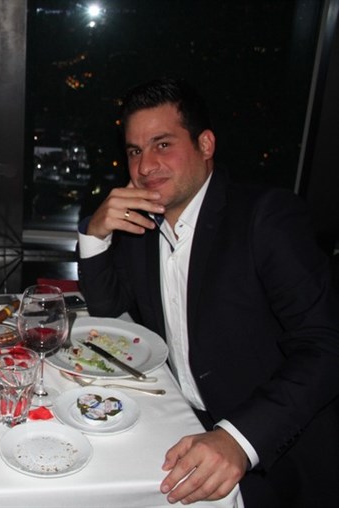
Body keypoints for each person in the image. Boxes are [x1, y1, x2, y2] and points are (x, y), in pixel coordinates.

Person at [77, 77, 339, 507]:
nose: (145, 166)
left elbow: (325, 347)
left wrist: (238, 439)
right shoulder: (143, 226)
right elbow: (108, 308)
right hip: (176, 420)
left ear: (205, 144)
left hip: (271, 449)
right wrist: (95, 235)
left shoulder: (264, 218)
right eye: (135, 151)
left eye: (163, 145)